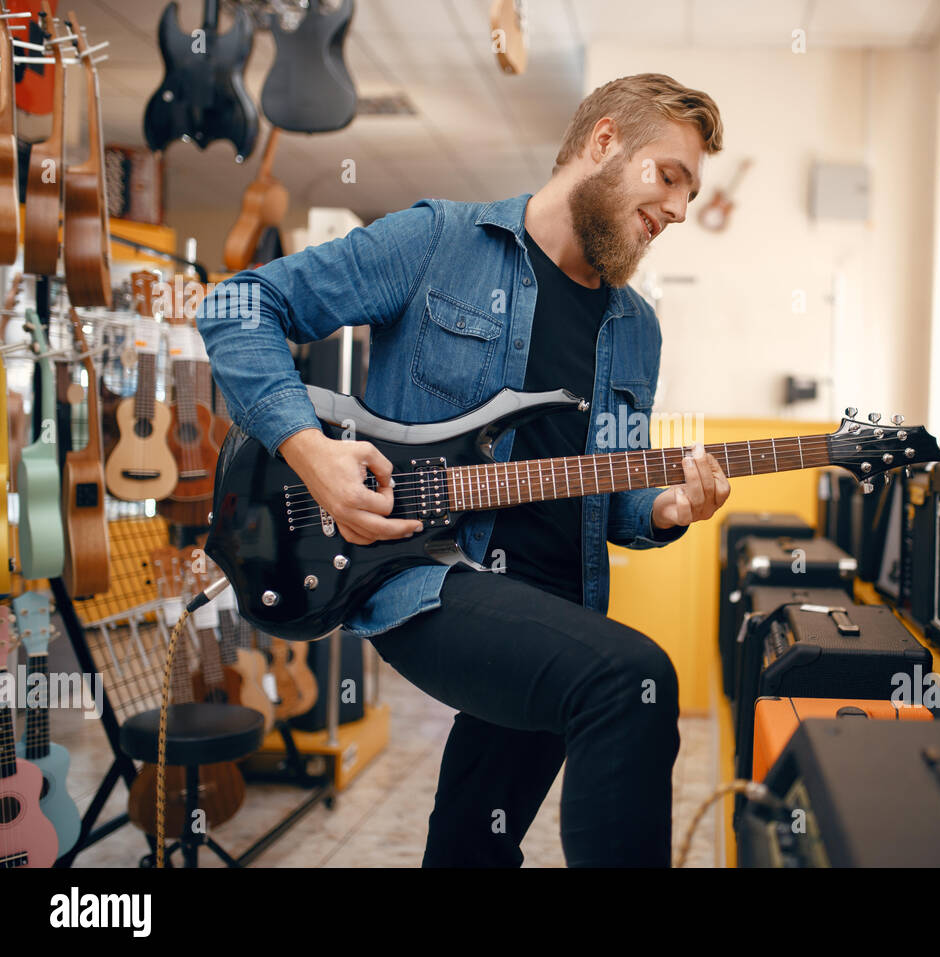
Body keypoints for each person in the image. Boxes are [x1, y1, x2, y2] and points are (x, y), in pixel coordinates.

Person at [197, 73, 729, 866]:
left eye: (691, 191)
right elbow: (237, 307)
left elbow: (614, 491)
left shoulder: (636, 329)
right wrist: (311, 453)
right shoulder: (439, 241)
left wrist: (664, 509)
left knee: (469, 848)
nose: (680, 210)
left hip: (554, 606)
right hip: (424, 577)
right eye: (671, 176)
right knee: (631, 682)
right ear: (605, 141)